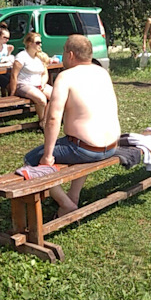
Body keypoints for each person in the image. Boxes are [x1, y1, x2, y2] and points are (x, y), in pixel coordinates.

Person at [27, 35, 122, 217]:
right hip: (111, 145)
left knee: (31, 160)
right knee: (78, 146)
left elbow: (53, 119)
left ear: (70, 54)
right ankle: (73, 196)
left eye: (63, 51)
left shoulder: (65, 77)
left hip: (87, 148)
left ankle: (65, 204)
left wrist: (47, 156)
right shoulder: (102, 72)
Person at [9, 31, 54, 117]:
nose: (40, 45)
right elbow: (14, 75)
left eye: (40, 42)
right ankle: (42, 121)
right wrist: (13, 92)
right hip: (24, 85)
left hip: (39, 85)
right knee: (42, 99)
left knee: (56, 96)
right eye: (37, 43)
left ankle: (48, 119)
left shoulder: (40, 57)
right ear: (29, 43)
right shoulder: (21, 57)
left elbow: (45, 73)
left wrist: (43, 84)